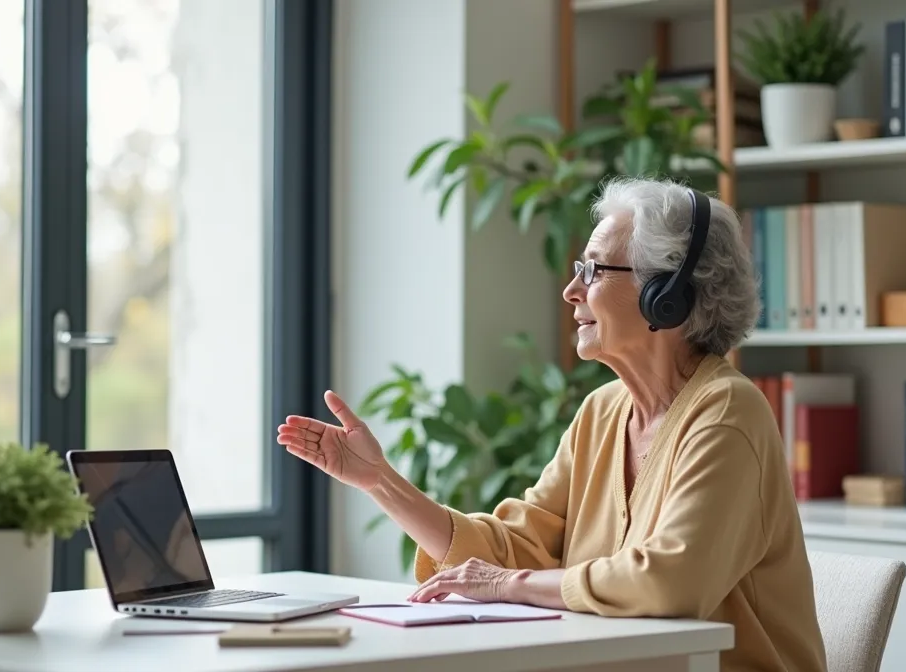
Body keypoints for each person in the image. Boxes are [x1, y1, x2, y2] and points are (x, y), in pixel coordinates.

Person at [277, 177, 828, 672]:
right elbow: (515, 547)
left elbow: (667, 584)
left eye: (592, 270)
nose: (571, 291)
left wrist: (506, 585)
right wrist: (382, 482)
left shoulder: (727, 414)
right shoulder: (603, 411)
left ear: (667, 296)